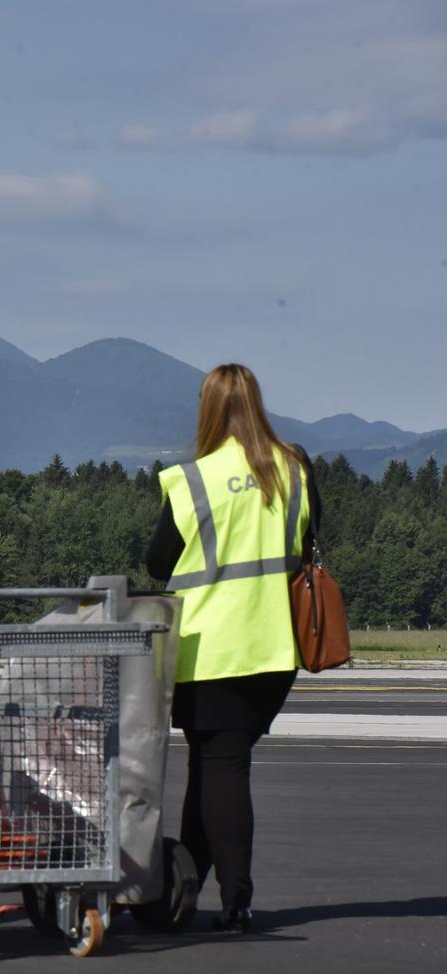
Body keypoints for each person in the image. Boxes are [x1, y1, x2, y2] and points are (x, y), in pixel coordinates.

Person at [145, 363, 318, 934]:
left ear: (209, 410)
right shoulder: (294, 469)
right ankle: (182, 885)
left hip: (212, 649)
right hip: (274, 648)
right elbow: (306, 542)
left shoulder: (194, 481)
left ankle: (236, 897)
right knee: (215, 767)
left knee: (221, 768)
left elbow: (157, 561)